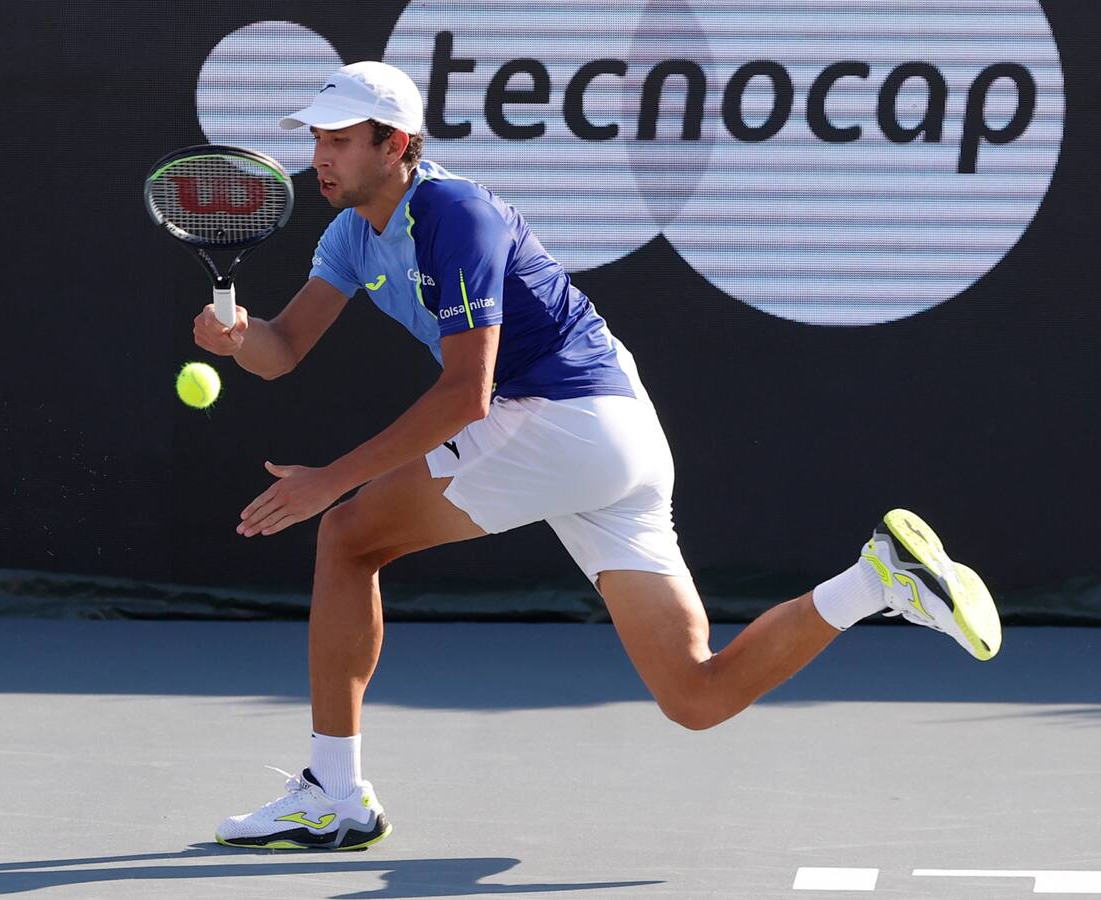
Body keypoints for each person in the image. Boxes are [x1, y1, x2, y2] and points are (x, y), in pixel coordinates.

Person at [192, 61, 1002, 851]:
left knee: (348, 535)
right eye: (315, 137)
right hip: (613, 434)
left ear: (395, 142)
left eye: (337, 137)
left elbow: (465, 397)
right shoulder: (350, 235)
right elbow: (284, 349)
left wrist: (330, 482)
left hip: (564, 419)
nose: (318, 155)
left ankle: (334, 794)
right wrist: (237, 340)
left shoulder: (453, 216)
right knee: (695, 692)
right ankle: (877, 579)